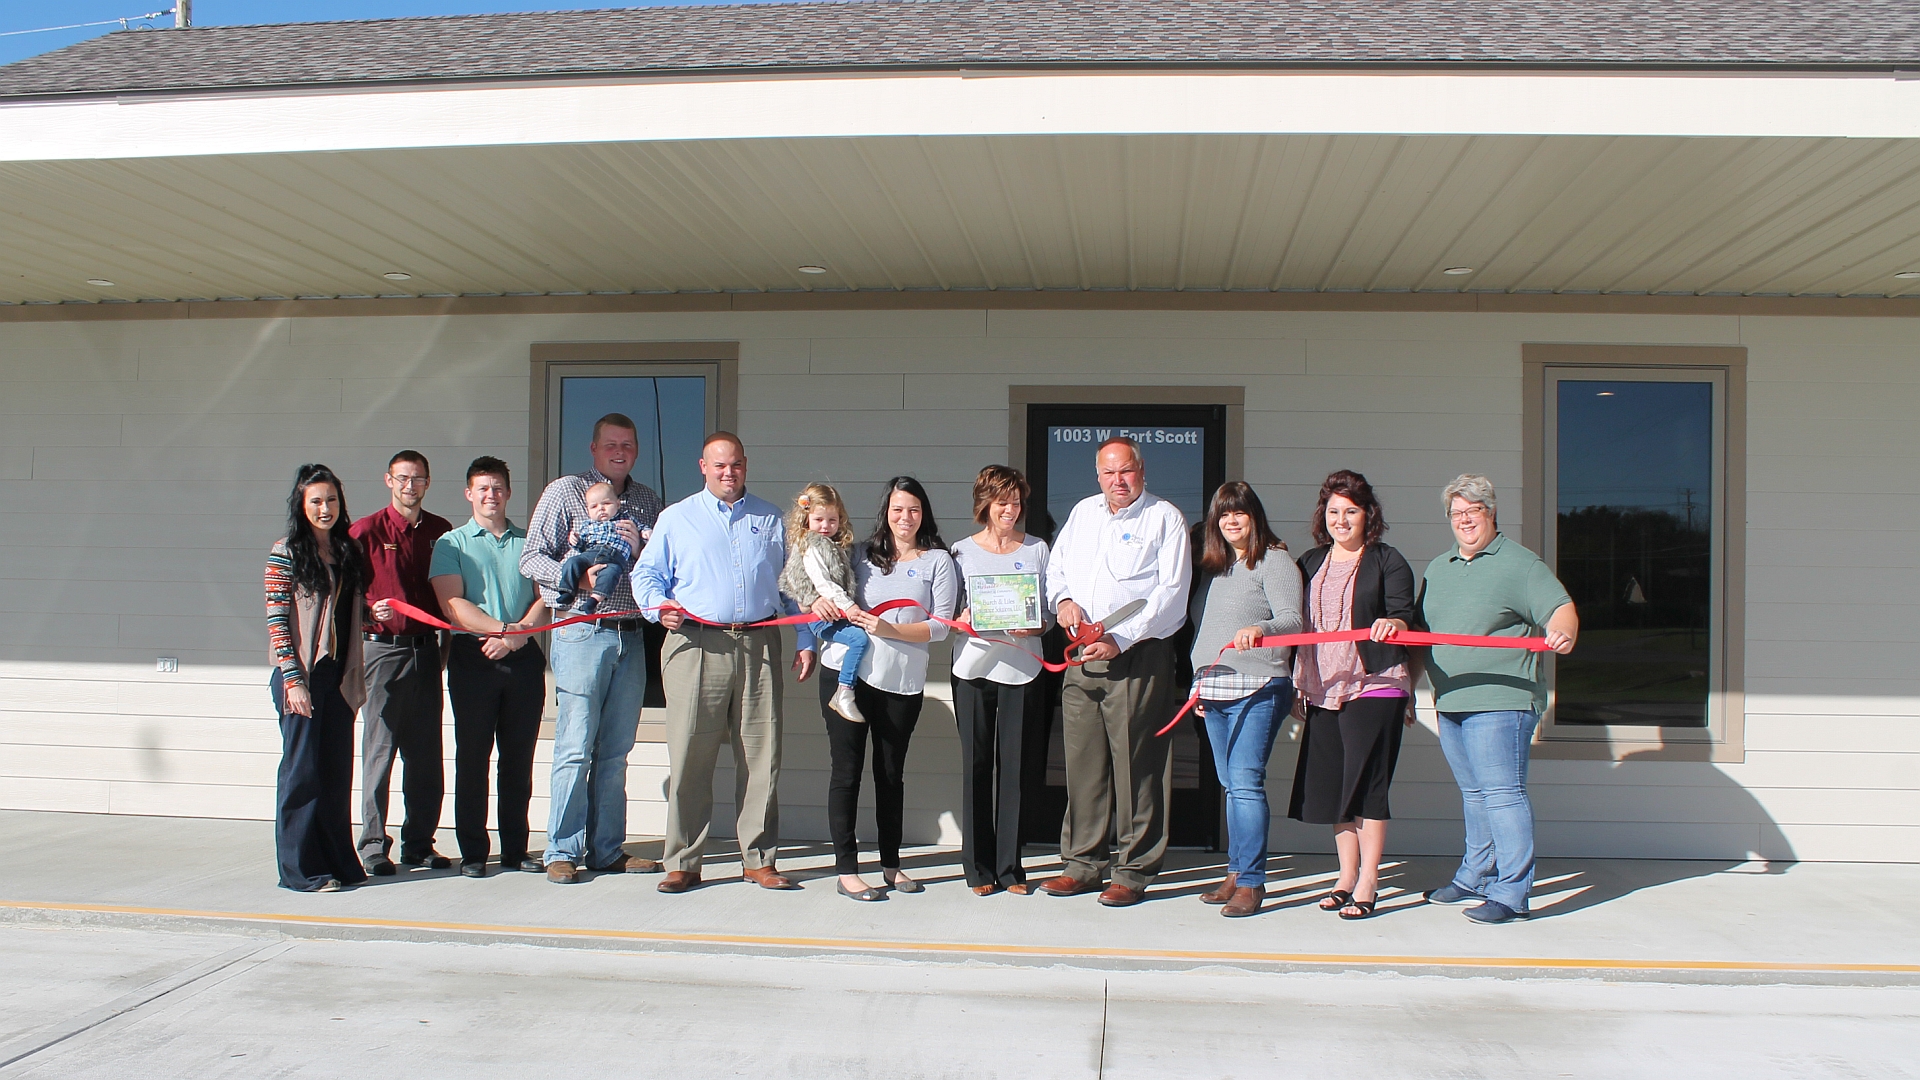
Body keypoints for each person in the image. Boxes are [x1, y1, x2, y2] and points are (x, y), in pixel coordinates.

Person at [632, 431, 815, 894]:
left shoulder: (771, 518)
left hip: (758, 645)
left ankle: (758, 859)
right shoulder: (676, 519)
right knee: (691, 755)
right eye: (719, 465)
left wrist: (805, 636)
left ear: (745, 465)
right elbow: (646, 574)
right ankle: (683, 862)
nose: (728, 472)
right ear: (702, 467)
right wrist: (657, 607)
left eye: (735, 464)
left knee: (761, 754)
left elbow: (793, 586)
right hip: (694, 646)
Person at [1411, 473, 1577, 924]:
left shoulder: (1520, 564)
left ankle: (1512, 893)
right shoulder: (1438, 567)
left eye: (1474, 511)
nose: (1465, 520)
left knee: (1503, 795)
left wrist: (1563, 632)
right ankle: (1474, 876)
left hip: (1501, 699)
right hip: (1451, 700)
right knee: (1474, 795)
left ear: (1492, 512)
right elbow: (1421, 636)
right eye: (1457, 513)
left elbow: (1560, 608)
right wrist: (1408, 689)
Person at [1041, 437, 1192, 907]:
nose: (1118, 481)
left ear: (1142, 470)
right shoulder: (1084, 514)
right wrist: (1062, 601)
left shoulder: (1164, 518)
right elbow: (1057, 569)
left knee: (1137, 766)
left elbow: (1171, 595)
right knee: (1083, 764)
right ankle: (1082, 864)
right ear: (1098, 475)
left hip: (1137, 655)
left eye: (1125, 471)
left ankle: (1133, 869)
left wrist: (1121, 639)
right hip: (1082, 655)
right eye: (1109, 473)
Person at [519, 414, 665, 884]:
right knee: (575, 745)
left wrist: (640, 551)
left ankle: (607, 849)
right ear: (594, 448)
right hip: (582, 629)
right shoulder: (565, 491)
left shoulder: (645, 500)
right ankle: (561, 849)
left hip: (631, 631)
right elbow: (531, 557)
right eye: (610, 445)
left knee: (616, 749)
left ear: (636, 451)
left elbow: (660, 567)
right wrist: (578, 576)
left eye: (627, 444)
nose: (619, 452)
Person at [819, 477, 958, 902]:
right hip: (848, 677)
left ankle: (891, 865)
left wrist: (889, 628)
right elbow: (821, 583)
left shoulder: (938, 561)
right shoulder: (859, 553)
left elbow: (940, 626)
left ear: (924, 514)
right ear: (886, 513)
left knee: (890, 775)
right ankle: (846, 872)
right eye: (897, 510)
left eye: (913, 509)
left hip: (901, 681)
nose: (905, 518)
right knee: (846, 774)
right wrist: (814, 604)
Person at [1287, 470, 1417, 920]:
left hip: (1375, 681)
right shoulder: (1308, 562)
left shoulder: (1387, 559)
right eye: (1334, 511)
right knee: (1338, 787)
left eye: (1351, 511)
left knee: (1368, 785)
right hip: (1323, 686)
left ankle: (1369, 881)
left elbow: (1404, 617)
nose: (1341, 520)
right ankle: (1345, 876)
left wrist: (1392, 625)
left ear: (1367, 515)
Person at [429, 457, 549, 878]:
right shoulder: (452, 543)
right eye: (482, 488)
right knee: (474, 757)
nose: (490, 495)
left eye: (497, 487)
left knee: (518, 759)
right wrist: (501, 629)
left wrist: (519, 634)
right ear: (469, 493)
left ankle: (516, 849)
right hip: (473, 659)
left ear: (508, 493)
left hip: (523, 658)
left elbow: (545, 595)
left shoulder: (527, 541)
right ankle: (475, 852)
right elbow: (453, 604)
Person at [1188, 481, 1302, 918]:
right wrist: (1198, 683)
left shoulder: (1274, 561)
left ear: (1254, 516)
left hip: (1258, 685)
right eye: (1224, 514)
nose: (1231, 520)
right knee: (1232, 785)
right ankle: (1236, 872)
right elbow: (1208, 631)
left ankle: (1252, 882)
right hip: (1214, 688)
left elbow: (1293, 618)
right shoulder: (1218, 567)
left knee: (1247, 782)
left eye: (1239, 512)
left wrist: (1263, 630)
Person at [265, 464, 370, 892]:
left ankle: (338, 862)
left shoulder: (347, 551)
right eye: (316, 501)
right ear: (301, 505)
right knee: (302, 773)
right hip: (301, 678)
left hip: (337, 678)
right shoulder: (286, 551)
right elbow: (277, 621)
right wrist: (294, 681)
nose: (325, 509)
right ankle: (300, 871)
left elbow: (344, 617)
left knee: (334, 773)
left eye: (331, 500)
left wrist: (371, 616)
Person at [349, 450, 453, 875]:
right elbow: (346, 595)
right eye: (403, 478)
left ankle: (418, 843)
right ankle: (374, 844)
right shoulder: (365, 531)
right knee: (380, 749)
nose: (411, 486)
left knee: (426, 753)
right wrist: (366, 614)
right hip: (383, 652)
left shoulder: (441, 532)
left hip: (428, 651)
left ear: (428, 483)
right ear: (388, 480)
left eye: (419, 479)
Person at [950, 465, 1051, 897]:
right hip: (972, 669)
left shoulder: (1037, 549)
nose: (1010, 509)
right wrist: (962, 621)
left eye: (1016, 501)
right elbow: (948, 613)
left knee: (1015, 771)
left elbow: (1048, 611)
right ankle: (977, 867)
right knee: (976, 767)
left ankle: (1011, 868)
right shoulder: (959, 552)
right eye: (1001, 501)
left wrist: (1038, 626)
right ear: (984, 505)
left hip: (1022, 668)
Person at [777, 483, 871, 723]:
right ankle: (844, 691)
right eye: (819, 519)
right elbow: (823, 583)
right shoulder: (812, 545)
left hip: (833, 612)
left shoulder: (836, 547)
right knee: (858, 639)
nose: (826, 526)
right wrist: (849, 607)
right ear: (806, 518)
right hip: (821, 617)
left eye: (832, 519)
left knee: (862, 637)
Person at [554, 481, 646, 614]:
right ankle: (567, 590)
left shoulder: (626, 519)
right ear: (588, 511)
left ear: (618, 504)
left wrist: (645, 532)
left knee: (611, 574)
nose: (601, 509)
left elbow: (641, 528)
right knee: (572, 562)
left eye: (606, 504)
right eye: (594, 506)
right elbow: (582, 546)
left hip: (615, 556)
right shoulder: (588, 525)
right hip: (592, 552)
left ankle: (594, 600)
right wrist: (575, 540)